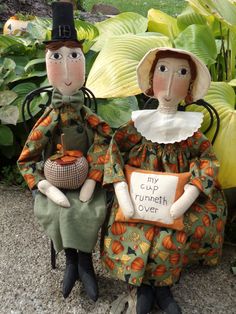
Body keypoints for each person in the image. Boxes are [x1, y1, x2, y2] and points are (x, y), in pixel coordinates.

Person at [101, 47, 227, 314]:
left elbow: (207, 160)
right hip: (138, 193)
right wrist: (121, 187)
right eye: (163, 71)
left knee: (170, 232)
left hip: (176, 195)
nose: (170, 83)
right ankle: (144, 285)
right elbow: (115, 150)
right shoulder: (137, 125)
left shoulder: (190, 131)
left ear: (189, 86)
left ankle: (161, 286)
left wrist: (190, 195)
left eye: (181, 73)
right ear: (151, 78)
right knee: (133, 227)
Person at [17, 1, 112, 301]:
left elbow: (106, 139)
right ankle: (73, 261)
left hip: (86, 179)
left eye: (74, 56)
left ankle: (85, 263)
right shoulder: (50, 118)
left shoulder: (87, 115)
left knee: (88, 206)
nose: (68, 68)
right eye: (58, 57)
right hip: (56, 182)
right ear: (49, 61)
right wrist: (44, 185)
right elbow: (29, 156)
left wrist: (93, 176)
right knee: (61, 208)